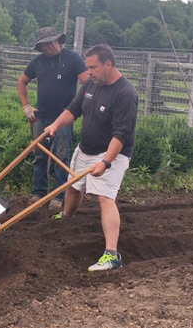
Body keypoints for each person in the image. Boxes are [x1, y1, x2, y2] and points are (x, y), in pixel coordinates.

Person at [44, 44, 138, 272]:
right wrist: (55, 125)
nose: (89, 72)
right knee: (74, 187)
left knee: (104, 197)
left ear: (108, 64)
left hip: (112, 152)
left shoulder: (126, 93)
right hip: (85, 148)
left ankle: (112, 255)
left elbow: (121, 135)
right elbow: (74, 109)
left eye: (93, 67)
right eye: (88, 67)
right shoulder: (91, 84)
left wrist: (105, 163)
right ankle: (66, 217)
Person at [17, 27, 89, 210]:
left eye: (49, 43)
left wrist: (79, 107)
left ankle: (58, 196)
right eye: (42, 45)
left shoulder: (73, 59)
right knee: (39, 156)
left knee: (61, 157)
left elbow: (87, 84)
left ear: (58, 41)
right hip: (41, 117)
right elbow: (22, 81)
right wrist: (26, 106)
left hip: (63, 117)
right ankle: (38, 193)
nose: (46, 48)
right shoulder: (38, 63)